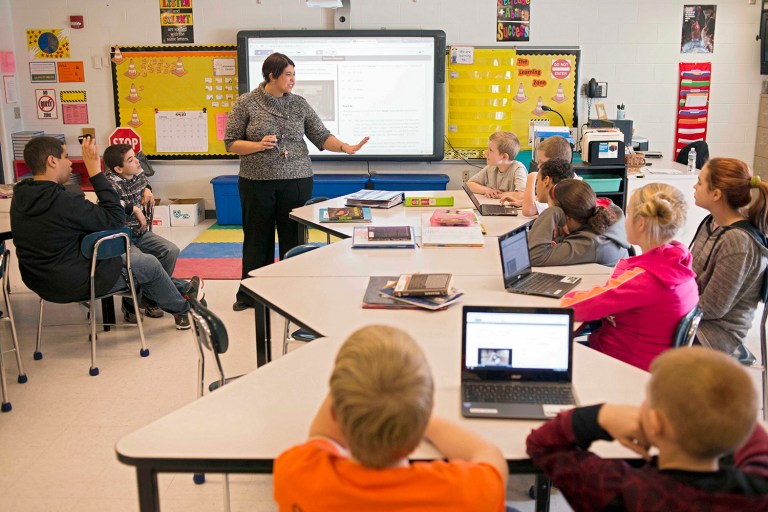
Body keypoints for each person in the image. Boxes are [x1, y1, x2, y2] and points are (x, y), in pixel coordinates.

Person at [274, 325, 507, 511]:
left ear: (335, 412)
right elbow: (489, 454)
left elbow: (320, 434)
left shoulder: (294, 473)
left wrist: (352, 386)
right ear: (424, 418)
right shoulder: (470, 493)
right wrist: (421, 416)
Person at [526, 346, 768, 511]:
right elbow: (754, 435)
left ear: (655, 424)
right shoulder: (760, 490)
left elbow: (543, 446)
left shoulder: (618, 490)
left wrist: (602, 415)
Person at [225, 52, 369, 312]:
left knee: (294, 238)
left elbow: (321, 136)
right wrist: (258, 145)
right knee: (258, 239)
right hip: (257, 181)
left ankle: (293, 291)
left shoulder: (299, 104)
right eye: (288, 74)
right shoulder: (246, 103)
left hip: (297, 180)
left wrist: (345, 147)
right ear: (272, 75)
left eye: (294, 74)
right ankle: (251, 294)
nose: (293, 80)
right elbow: (231, 143)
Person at [11, 136, 201, 330]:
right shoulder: (65, 202)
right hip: (75, 281)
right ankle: (183, 307)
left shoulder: (19, 196)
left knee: (154, 257)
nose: (70, 163)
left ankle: (182, 290)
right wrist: (94, 171)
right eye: (66, 157)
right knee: (148, 264)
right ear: (52, 161)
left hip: (37, 281)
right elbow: (115, 220)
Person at [560, 183, 698, 371]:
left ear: (640, 223)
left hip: (624, 367)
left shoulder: (646, 280)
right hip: (651, 364)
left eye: (629, 214)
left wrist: (566, 296)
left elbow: (575, 307)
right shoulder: (677, 264)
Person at [690, 157, 768, 355]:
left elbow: (713, 307)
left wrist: (669, 304)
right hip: (694, 317)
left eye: (700, 182)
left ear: (716, 194)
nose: (694, 186)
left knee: (638, 334)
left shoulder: (738, 241)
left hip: (716, 333)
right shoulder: (711, 222)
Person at [103, 143, 184, 321]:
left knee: (171, 250)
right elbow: (111, 202)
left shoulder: (137, 171)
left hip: (141, 232)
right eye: (131, 160)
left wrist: (148, 189)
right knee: (143, 263)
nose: (137, 161)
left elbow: (145, 180)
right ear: (118, 168)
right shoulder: (110, 184)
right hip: (124, 237)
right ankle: (132, 303)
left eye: (135, 156)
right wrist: (134, 209)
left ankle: (150, 296)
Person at [528, 177, 630, 267]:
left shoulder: (591, 242)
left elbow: (533, 255)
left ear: (566, 216)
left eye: (552, 209)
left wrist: (553, 212)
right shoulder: (600, 211)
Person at [500, 134, 572, 216]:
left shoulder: (566, 190)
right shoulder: (565, 180)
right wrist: (521, 202)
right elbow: (540, 200)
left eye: (541, 162)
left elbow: (529, 211)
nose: (538, 166)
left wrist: (532, 176)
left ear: (556, 163)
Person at [466, 131, 527, 200]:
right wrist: (487, 190)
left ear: (504, 157)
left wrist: (498, 195)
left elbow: (522, 195)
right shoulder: (491, 167)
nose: (486, 154)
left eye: (491, 150)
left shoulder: (518, 169)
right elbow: (469, 184)